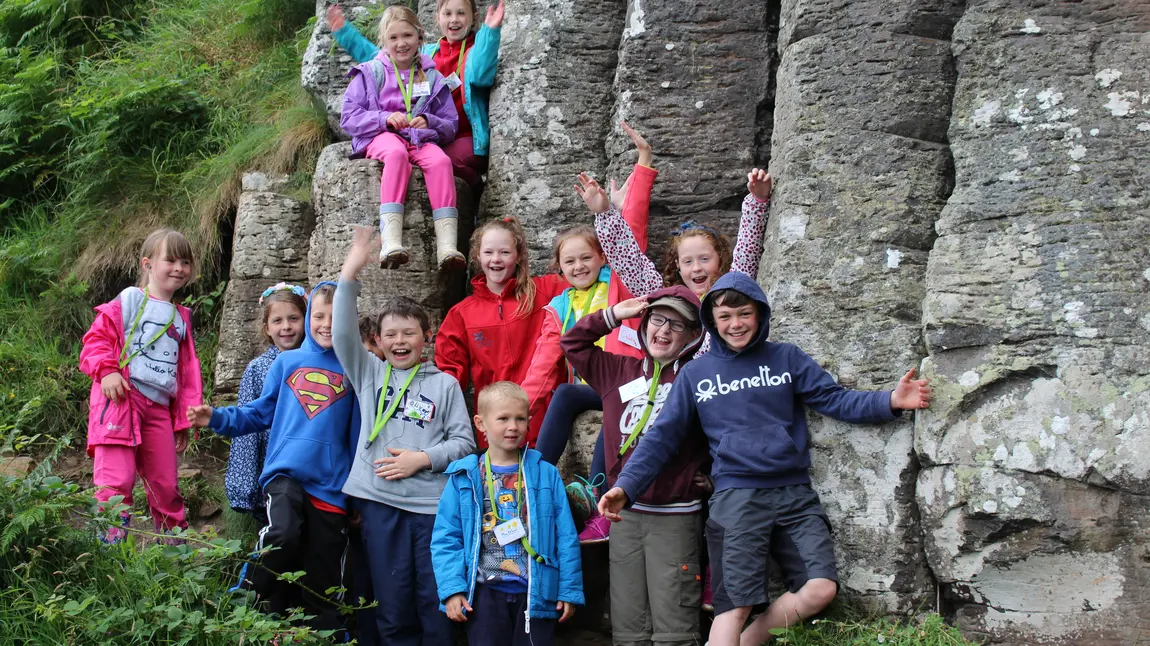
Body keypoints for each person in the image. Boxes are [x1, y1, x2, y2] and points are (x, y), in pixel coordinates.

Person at [597, 272, 933, 646]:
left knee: (819, 588)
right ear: (711, 322)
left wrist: (890, 401)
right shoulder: (696, 374)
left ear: (759, 314)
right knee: (734, 606)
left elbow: (834, 399)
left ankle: (749, 642)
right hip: (735, 498)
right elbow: (662, 438)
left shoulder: (785, 357)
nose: (735, 324)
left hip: (794, 494)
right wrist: (625, 487)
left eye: (743, 314)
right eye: (724, 317)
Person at [187, 283, 357, 632]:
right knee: (282, 532)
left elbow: (357, 438)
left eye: (335, 317)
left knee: (324, 570)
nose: (326, 324)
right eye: (319, 315)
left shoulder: (356, 370)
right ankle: (247, 591)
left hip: (330, 486)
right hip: (286, 474)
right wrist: (216, 418)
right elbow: (256, 413)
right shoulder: (287, 362)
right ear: (311, 318)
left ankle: (323, 634)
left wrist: (357, 495)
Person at [334, 227, 476, 645]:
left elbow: (465, 445)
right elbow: (342, 334)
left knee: (436, 604)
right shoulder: (369, 374)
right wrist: (351, 269)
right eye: (390, 334)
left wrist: (423, 459)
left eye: (409, 333)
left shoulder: (445, 386)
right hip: (380, 504)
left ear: (426, 337)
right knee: (392, 608)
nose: (399, 341)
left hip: (433, 509)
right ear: (376, 341)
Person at [527, 121, 656, 543]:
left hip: (625, 379)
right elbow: (546, 363)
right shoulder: (559, 306)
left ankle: (600, 494)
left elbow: (631, 237)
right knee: (564, 394)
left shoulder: (616, 284)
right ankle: (534, 478)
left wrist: (643, 165)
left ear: (602, 260)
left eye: (587, 258)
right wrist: (520, 407)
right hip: (587, 384)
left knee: (616, 408)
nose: (579, 266)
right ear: (559, 269)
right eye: (570, 262)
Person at [562, 287, 711, 644]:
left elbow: (730, 430)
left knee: (674, 627)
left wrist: (712, 476)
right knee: (628, 627)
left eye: (677, 324)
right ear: (644, 323)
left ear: (694, 335)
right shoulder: (617, 370)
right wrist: (613, 314)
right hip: (623, 516)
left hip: (675, 516)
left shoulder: (699, 377)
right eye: (657, 319)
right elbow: (572, 344)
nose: (663, 330)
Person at [431, 382, 583, 646]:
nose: (513, 426)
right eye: (503, 418)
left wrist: (568, 590)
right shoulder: (464, 476)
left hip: (536, 594)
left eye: (520, 418)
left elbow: (566, 537)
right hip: (483, 595)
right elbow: (446, 538)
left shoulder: (545, 473)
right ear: (481, 423)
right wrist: (452, 590)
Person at [79, 228, 203, 543]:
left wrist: (183, 418)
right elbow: (97, 339)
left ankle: (175, 553)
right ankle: (108, 555)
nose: (179, 268)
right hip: (121, 402)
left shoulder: (180, 317)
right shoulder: (133, 299)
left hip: (159, 410)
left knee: (165, 485)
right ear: (147, 264)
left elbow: (184, 375)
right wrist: (107, 371)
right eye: (171, 260)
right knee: (115, 483)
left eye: (185, 262)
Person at [578, 168, 774, 356]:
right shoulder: (667, 297)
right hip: (676, 381)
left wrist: (757, 201)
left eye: (704, 259)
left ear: (720, 258)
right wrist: (605, 213)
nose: (697, 268)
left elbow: (747, 252)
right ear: (677, 265)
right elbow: (631, 263)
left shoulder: (731, 291)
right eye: (688, 261)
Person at [327, 0, 504, 192]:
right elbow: (381, 57)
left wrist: (490, 32)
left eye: (461, 14)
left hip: (465, 136)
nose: (454, 20)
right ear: (437, 18)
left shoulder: (473, 51)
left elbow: (480, 73)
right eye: (447, 14)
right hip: (431, 134)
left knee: (444, 160)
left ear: (474, 18)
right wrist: (345, 33)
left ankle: (478, 196)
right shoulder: (427, 53)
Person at [340, 5, 462, 270]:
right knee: (396, 154)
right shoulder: (370, 72)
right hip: (382, 135)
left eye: (407, 36)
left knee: (441, 161)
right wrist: (383, 118)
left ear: (420, 37)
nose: (401, 43)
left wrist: (430, 121)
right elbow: (348, 118)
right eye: (393, 38)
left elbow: (451, 124)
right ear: (383, 41)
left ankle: (447, 247)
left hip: (420, 138)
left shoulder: (431, 75)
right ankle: (391, 242)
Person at [435, 215, 567, 447]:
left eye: (505, 252)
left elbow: (593, 276)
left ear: (518, 256)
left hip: (546, 418)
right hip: (496, 428)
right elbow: (450, 375)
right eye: (488, 252)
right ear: (477, 255)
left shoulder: (545, 291)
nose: (496, 259)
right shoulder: (461, 314)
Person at [223, 282, 308, 526]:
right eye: (278, 321)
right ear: (266, 328)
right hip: (273, 469)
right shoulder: (257, 369)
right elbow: (246, 430)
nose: (287, 327)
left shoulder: (317, 363)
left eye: (294, 318)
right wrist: (245, 487)